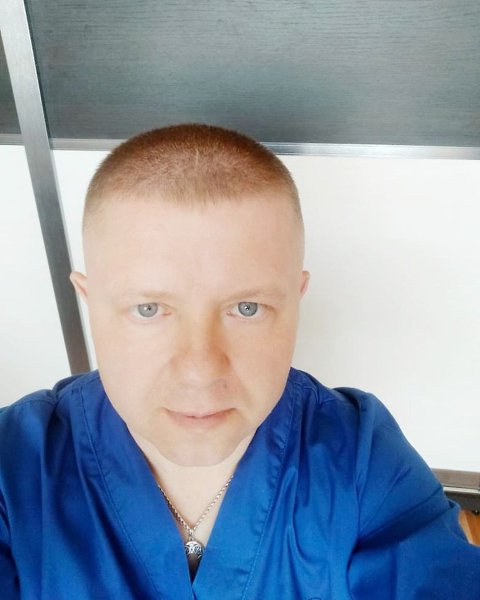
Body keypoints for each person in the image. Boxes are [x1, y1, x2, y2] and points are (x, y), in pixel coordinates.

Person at [0, 124, 479, 600]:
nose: (200, 372)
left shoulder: (359, 460)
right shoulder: (13, 466)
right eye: (149, 309)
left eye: (247, 308)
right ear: (89, 302)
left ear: (296, 299)